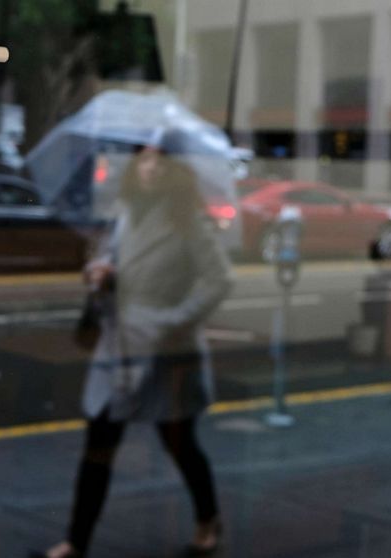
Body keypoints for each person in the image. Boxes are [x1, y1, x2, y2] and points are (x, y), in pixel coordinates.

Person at [39, 134, 233, 558]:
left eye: (161, 162)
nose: (150, 168)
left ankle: (208, 519)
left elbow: (219, 281)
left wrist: (173, 321)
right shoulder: (124, 214)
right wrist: (98, 271)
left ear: (175, 173)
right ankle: (76, 541)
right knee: (99, 443)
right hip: (120, 346)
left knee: (180, 445)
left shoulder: (190, 222)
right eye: (144, 160)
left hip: (165, 352)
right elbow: (106, 261)